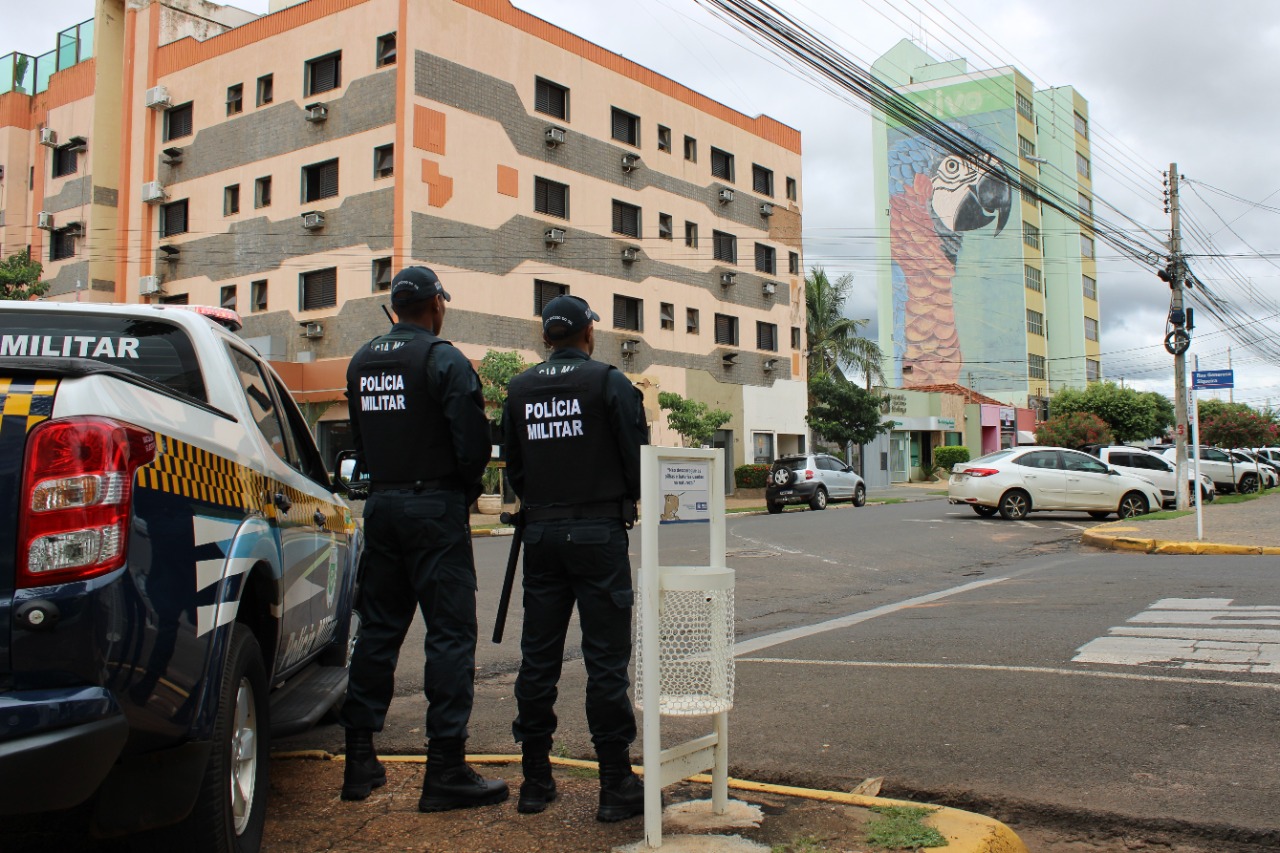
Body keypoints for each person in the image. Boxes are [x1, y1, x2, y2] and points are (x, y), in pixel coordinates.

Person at [339, 265, 508, 812]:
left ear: (396, 307)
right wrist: (457, 493)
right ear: (436, 305)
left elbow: (360, 438)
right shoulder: (443, 358)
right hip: (434, 506)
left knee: (378, 630)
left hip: (383, 505)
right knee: (450, 636)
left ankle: (359, 760)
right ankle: (446, 770)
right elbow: (472, 446)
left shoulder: (362, 361)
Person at [501, 294, 649, 821]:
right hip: (597, 534)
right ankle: (614, 783)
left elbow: (514, 466)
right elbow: (638, 461)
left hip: (541, 534)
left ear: (546, 337)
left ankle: (534, 780)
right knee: (605, 661)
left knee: (538, 660)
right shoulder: (609, 382)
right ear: (589, 333)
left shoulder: (519, 389)